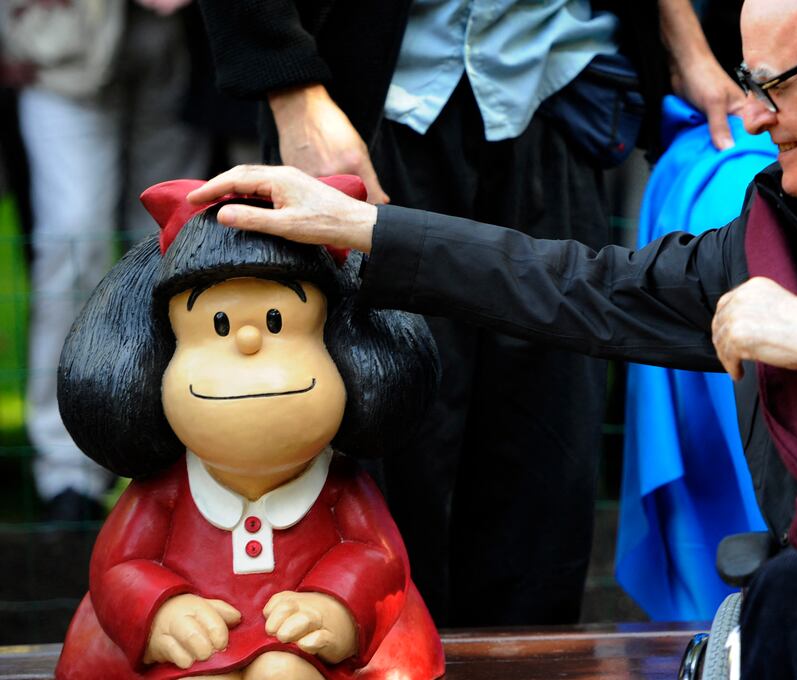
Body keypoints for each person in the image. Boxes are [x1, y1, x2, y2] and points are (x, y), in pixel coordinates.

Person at [189, 0, 797, 676]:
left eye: (770, 81)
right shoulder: (774, 226)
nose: (750, 111)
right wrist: (363, 230)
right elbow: (576, 283)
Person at [194, 0, 743, 627]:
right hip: (359, 119)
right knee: (377, 460)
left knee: (546, 468)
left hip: (554, 93)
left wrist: (686, 46)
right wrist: (292, 89)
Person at [55, 178, 443, 679]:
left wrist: (337, 606)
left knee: (285, 672)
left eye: (277, 320)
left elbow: (377, 557)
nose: (247, 340)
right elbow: (118, 568)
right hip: (197, 648)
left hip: (308, 646)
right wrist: (159, 610)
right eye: (218, 324)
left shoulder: (338, 487)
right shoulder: (166, 492)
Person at [3, 0, 210, 520]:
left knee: (172, 242)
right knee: (73, 242)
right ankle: (67, 470)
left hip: (187, 47)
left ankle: (174, 449)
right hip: (60, 46)